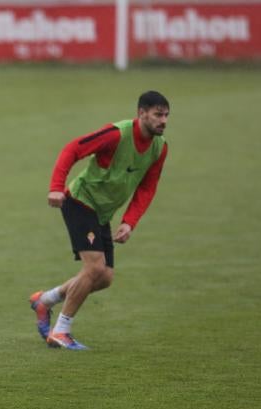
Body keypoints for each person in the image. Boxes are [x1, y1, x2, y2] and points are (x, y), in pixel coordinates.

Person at [29, 91, 170, 350]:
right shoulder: (116, 135)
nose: (163, 121)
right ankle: (61, 331)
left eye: (166, 115)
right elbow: (73, 148)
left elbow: (148, 187)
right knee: (93, 269)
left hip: (102, 212)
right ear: (141, 114)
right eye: (158, 115)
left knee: (104, 277)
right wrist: (56, 186)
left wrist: (130, 221)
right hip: (81, 202)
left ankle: (45, 301)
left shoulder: (160, 148)